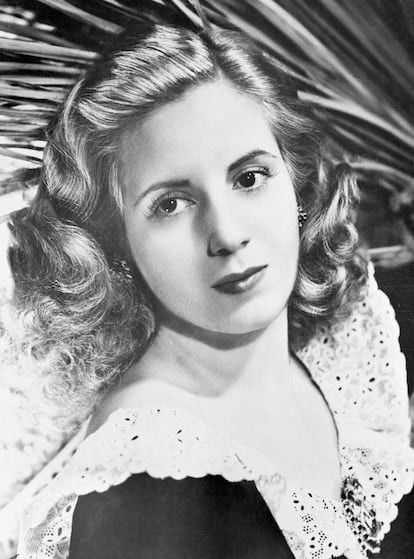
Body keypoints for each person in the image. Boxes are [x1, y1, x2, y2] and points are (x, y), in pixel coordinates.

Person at [4, 20, 413, 559]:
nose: (226, 234)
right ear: (116, 246)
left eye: (249, 178)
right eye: (171, 204)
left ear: (296, 184)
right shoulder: (147, 486)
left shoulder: (349, 353)